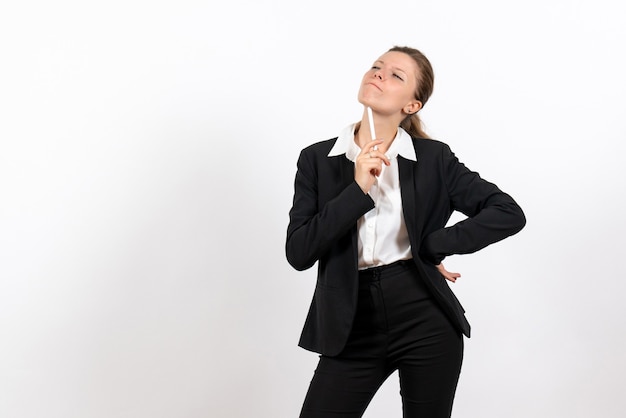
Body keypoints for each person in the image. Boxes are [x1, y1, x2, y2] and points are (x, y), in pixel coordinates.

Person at [285, 46, 526, 418]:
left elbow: (507, 212)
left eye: (396, 75)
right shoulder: (316, 159)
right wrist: (357, 190)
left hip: (424, 316)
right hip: (349, 323)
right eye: (377, 66)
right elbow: (299, 252)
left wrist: (432, 246)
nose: (378, 74)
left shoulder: (434, 159)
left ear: (412, 105)